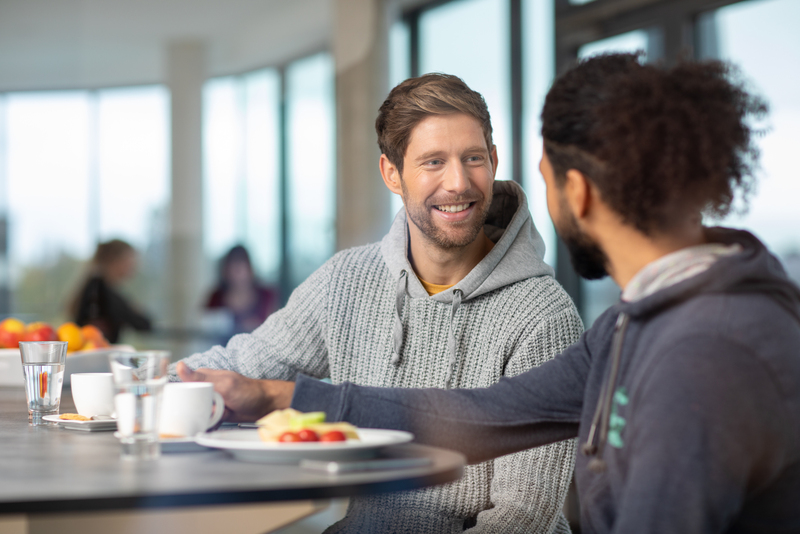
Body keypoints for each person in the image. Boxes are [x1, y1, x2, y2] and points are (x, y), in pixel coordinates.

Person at [191, 54, 800, 532]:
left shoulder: (704, 355)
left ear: (578, 192)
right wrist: (280, 394)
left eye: (543, 177)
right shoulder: (636, 322)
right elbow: (479, 415)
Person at [175, 73, 584, 533]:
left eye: (473, 158)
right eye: (433, 162)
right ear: (392, 173)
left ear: (493, 160)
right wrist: (143, 387)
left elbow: (521, 519)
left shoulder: (542, 315)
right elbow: (245, 364)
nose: (458, 182)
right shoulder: (347, 280)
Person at [71, 239, 152, 344]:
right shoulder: (102, 293)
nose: (134, 266)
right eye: (130, 260)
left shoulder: (94, 286)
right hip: (99, 357)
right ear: (115, 260)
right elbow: (143, 324)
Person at [204, 245, 279, 342]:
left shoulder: (266, 295)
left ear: (250, 269)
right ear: (225, 271)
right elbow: (205, 331)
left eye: (241, 267)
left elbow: (274, 329)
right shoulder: (216, 297)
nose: (238, 274)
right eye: (234, 268)